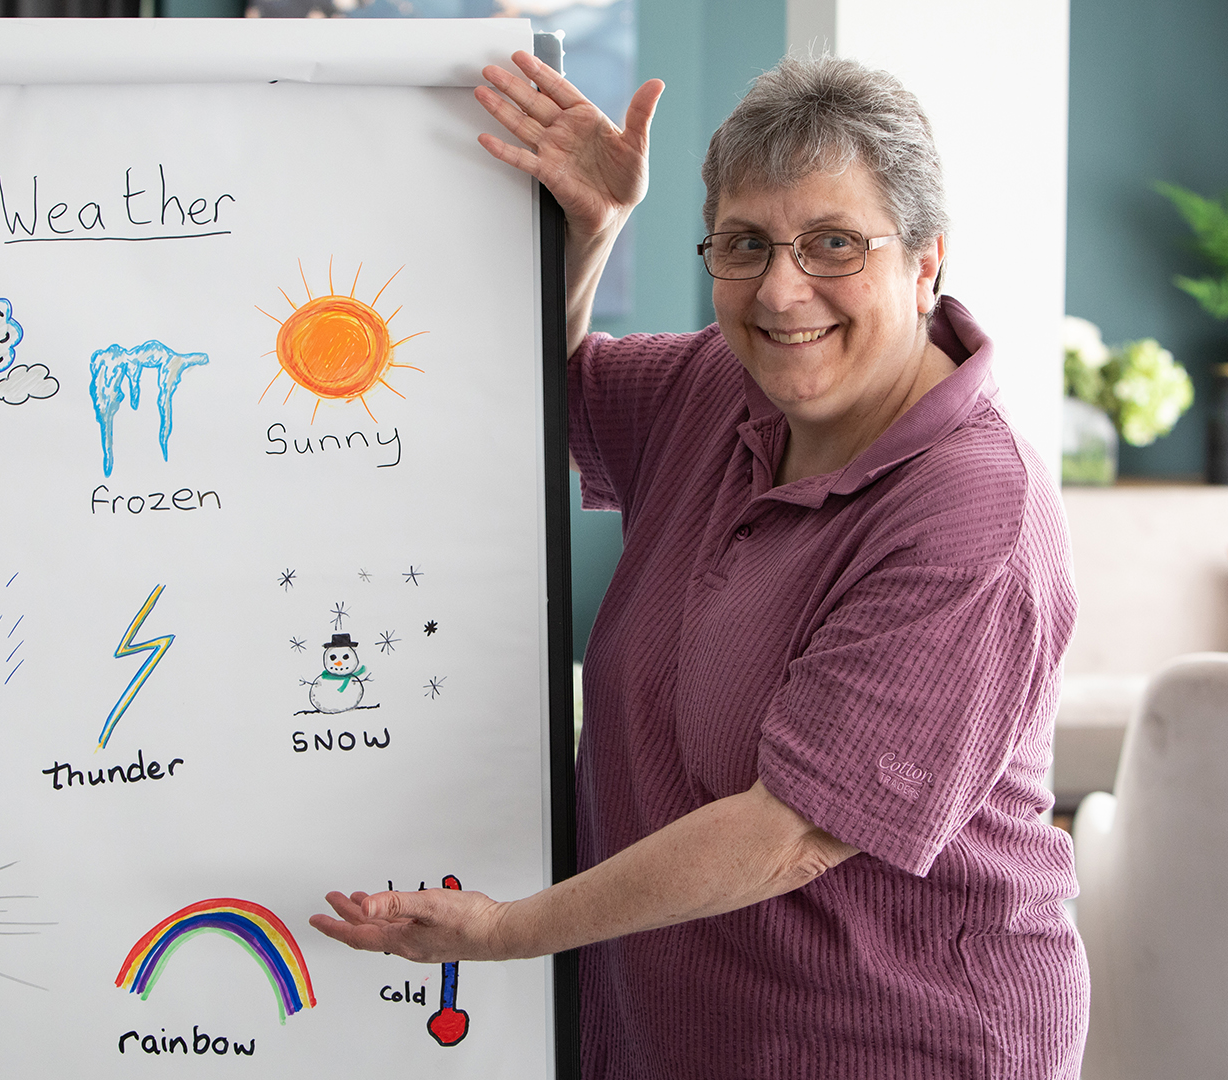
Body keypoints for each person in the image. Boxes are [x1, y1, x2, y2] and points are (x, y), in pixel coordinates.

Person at [311, 52, 1086, 1078]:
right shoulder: (718, 389)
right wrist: (587, 236)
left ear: (926, 260)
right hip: (684, 1032)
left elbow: (791, 832)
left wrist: (506, 933)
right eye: (744, 244)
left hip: (897, 1040)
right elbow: (538, 393)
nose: (780, 288)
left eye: (832, 244)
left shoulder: (973, 510)